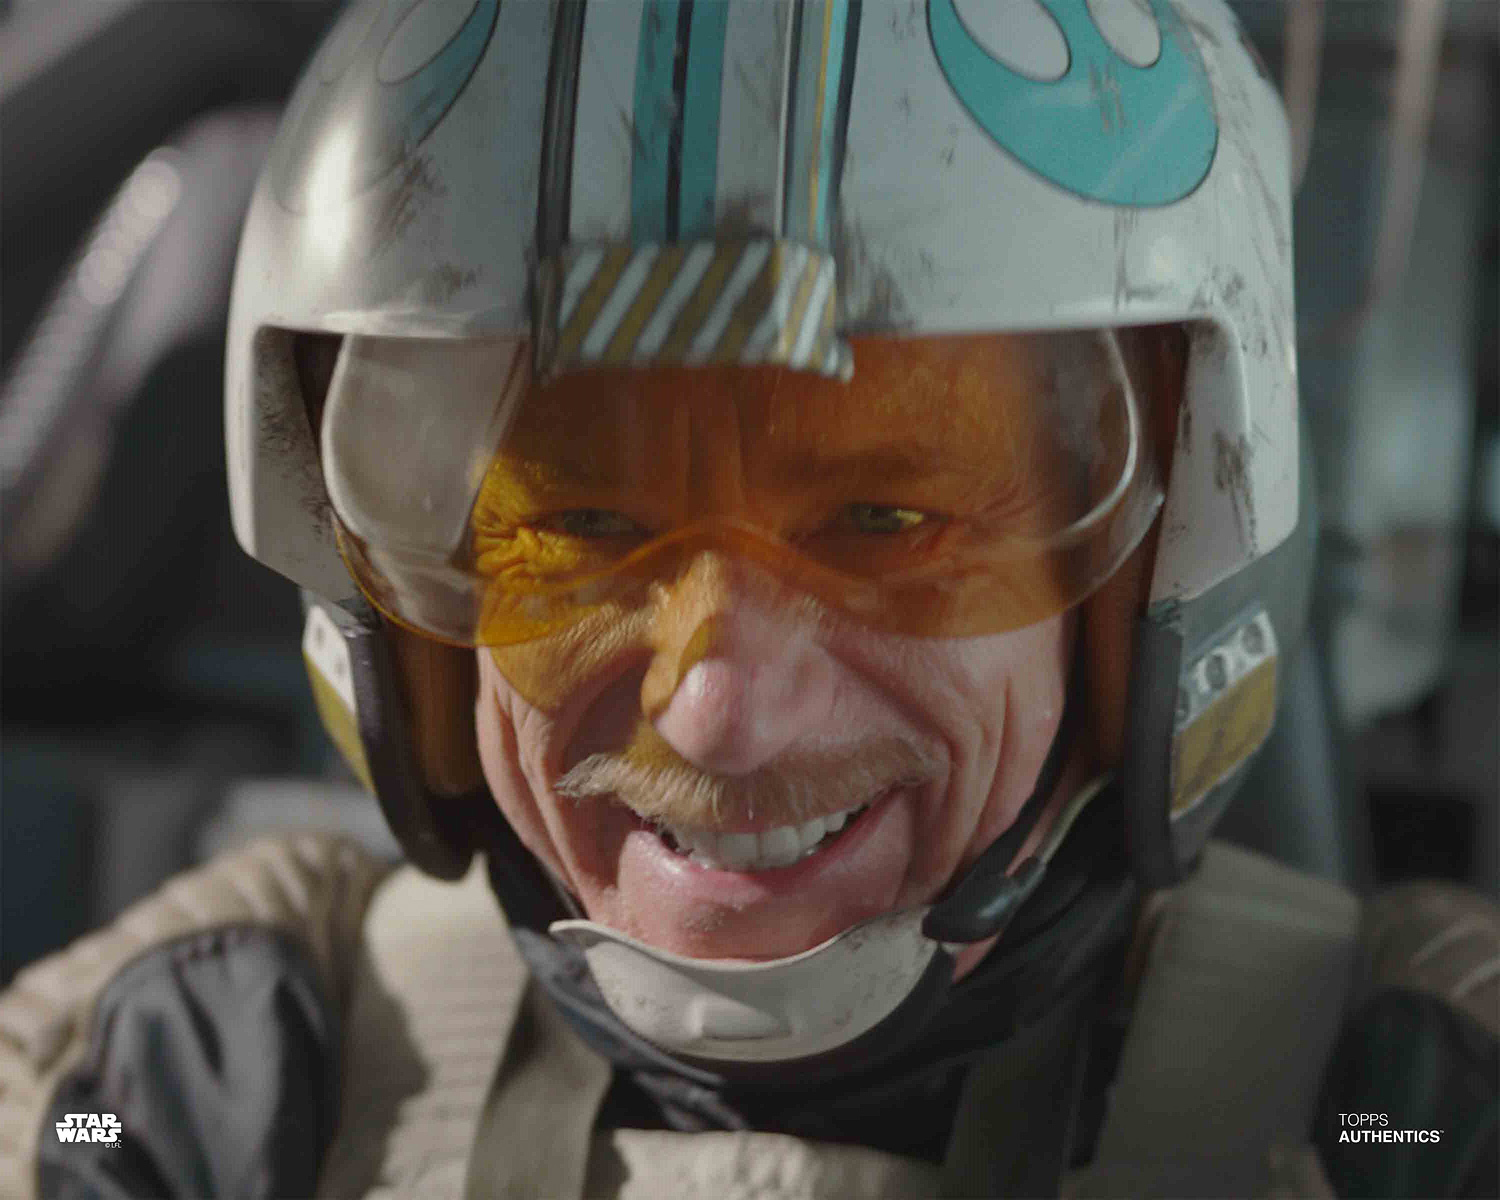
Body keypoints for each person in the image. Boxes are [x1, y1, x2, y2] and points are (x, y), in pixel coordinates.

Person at [4, 1, 1494, 1196]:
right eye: (579, 524)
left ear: (1153, 585)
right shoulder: (194, 1080)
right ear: (404, 641)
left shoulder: (1409, 1103)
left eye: (886, 522)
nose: (716, 715)